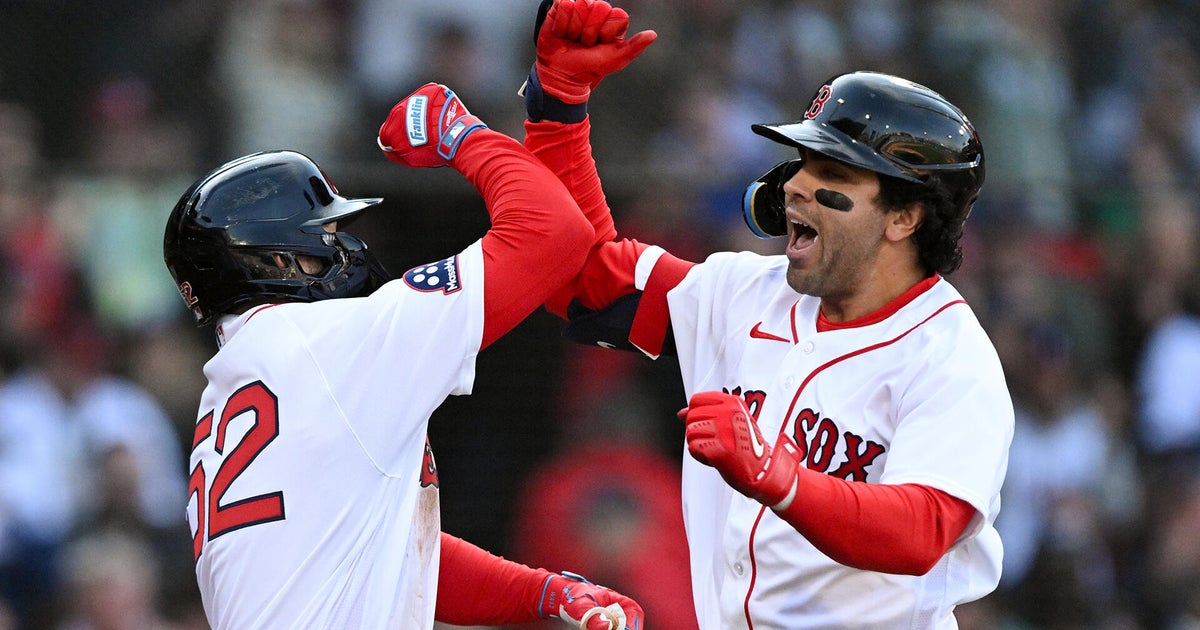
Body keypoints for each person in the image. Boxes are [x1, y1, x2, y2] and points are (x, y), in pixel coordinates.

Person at [519, 1, 1014, 627]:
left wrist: (778, 475)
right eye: (800, 164)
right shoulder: (746, 291)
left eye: (831, 173)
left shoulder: (951, 359)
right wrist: (559, 108)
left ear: (903, 216)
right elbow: (584, 278)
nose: (794, 186)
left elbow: (921, 530)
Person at [162, 82, 643, 630]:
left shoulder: (238, 384)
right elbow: (554, 231)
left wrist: (543, 592)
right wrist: (461, 134)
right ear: (278, 259)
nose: (346, 247)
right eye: (328, 233)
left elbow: (393, 555)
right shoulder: (328, 343)